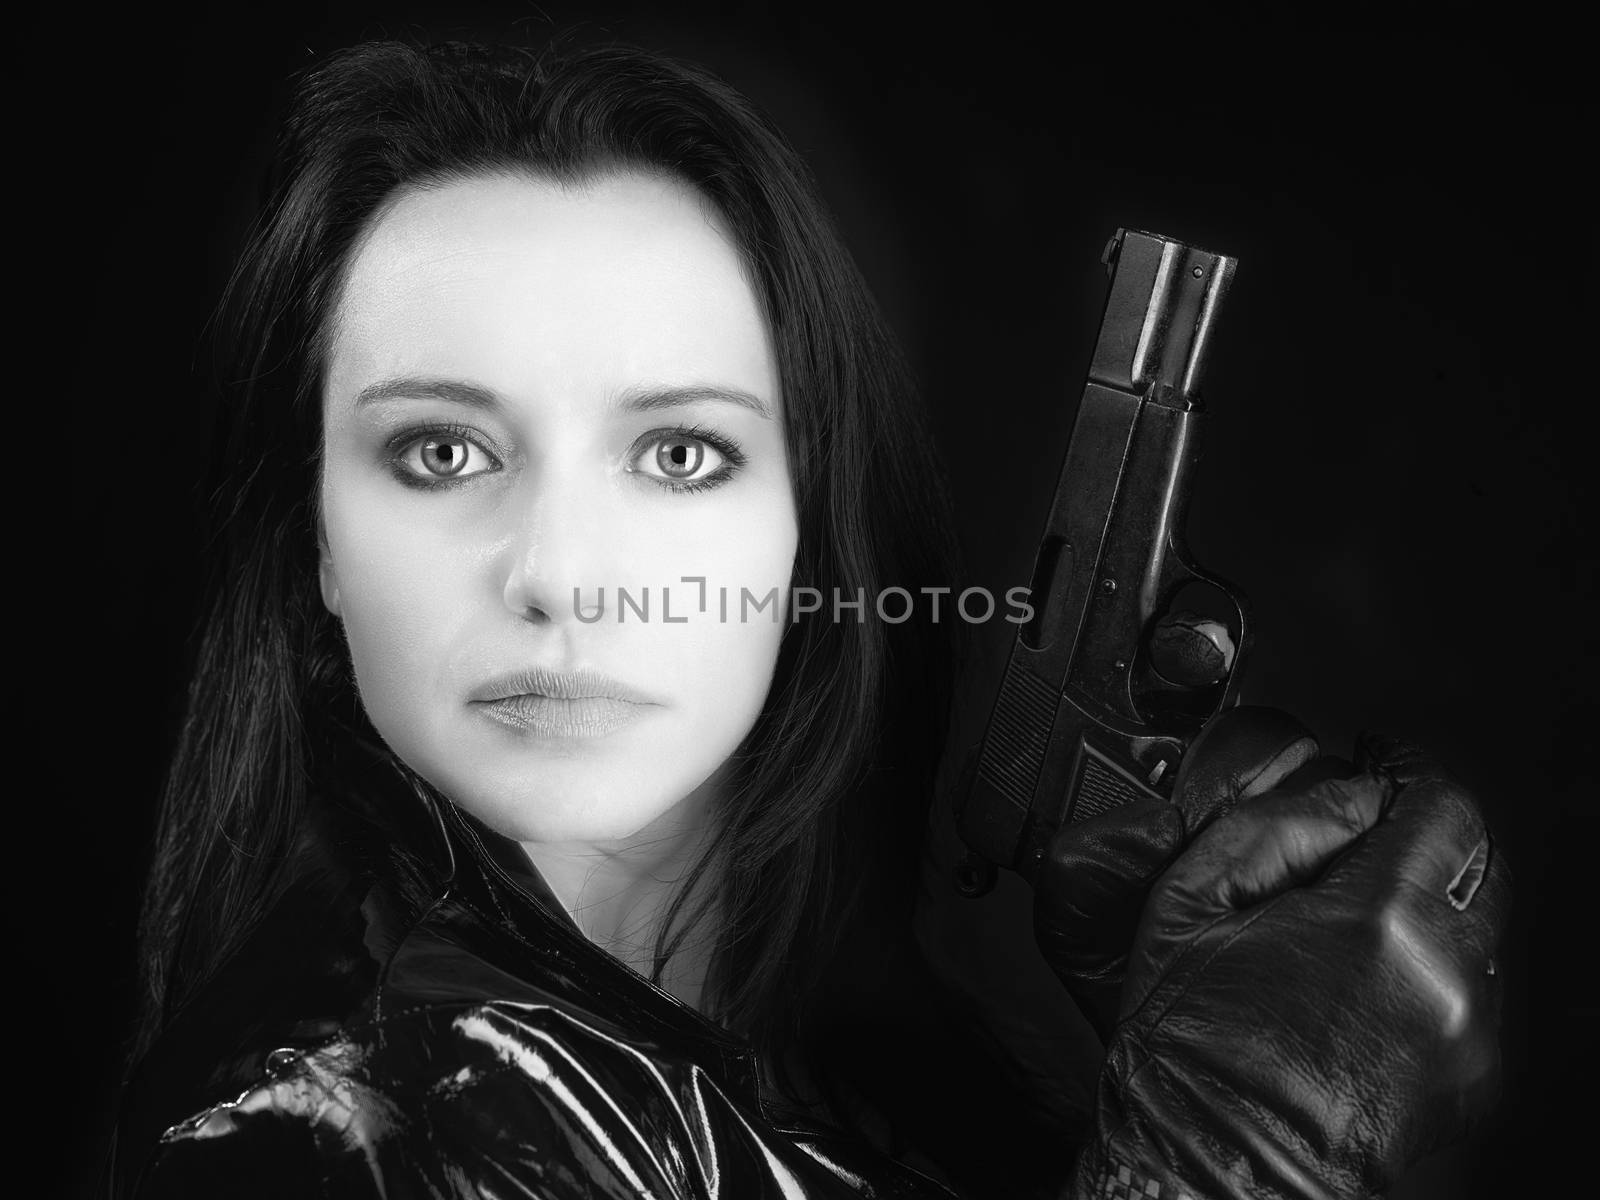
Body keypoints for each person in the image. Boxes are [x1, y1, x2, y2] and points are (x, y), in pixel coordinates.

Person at [105, 37, 1510, 1200]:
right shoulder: (321, 1147)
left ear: (810, 536)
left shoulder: (848, 1087)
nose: (560, 573)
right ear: (318, 549)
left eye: (676, 455)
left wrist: (1154, 1060)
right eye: (442, 453)